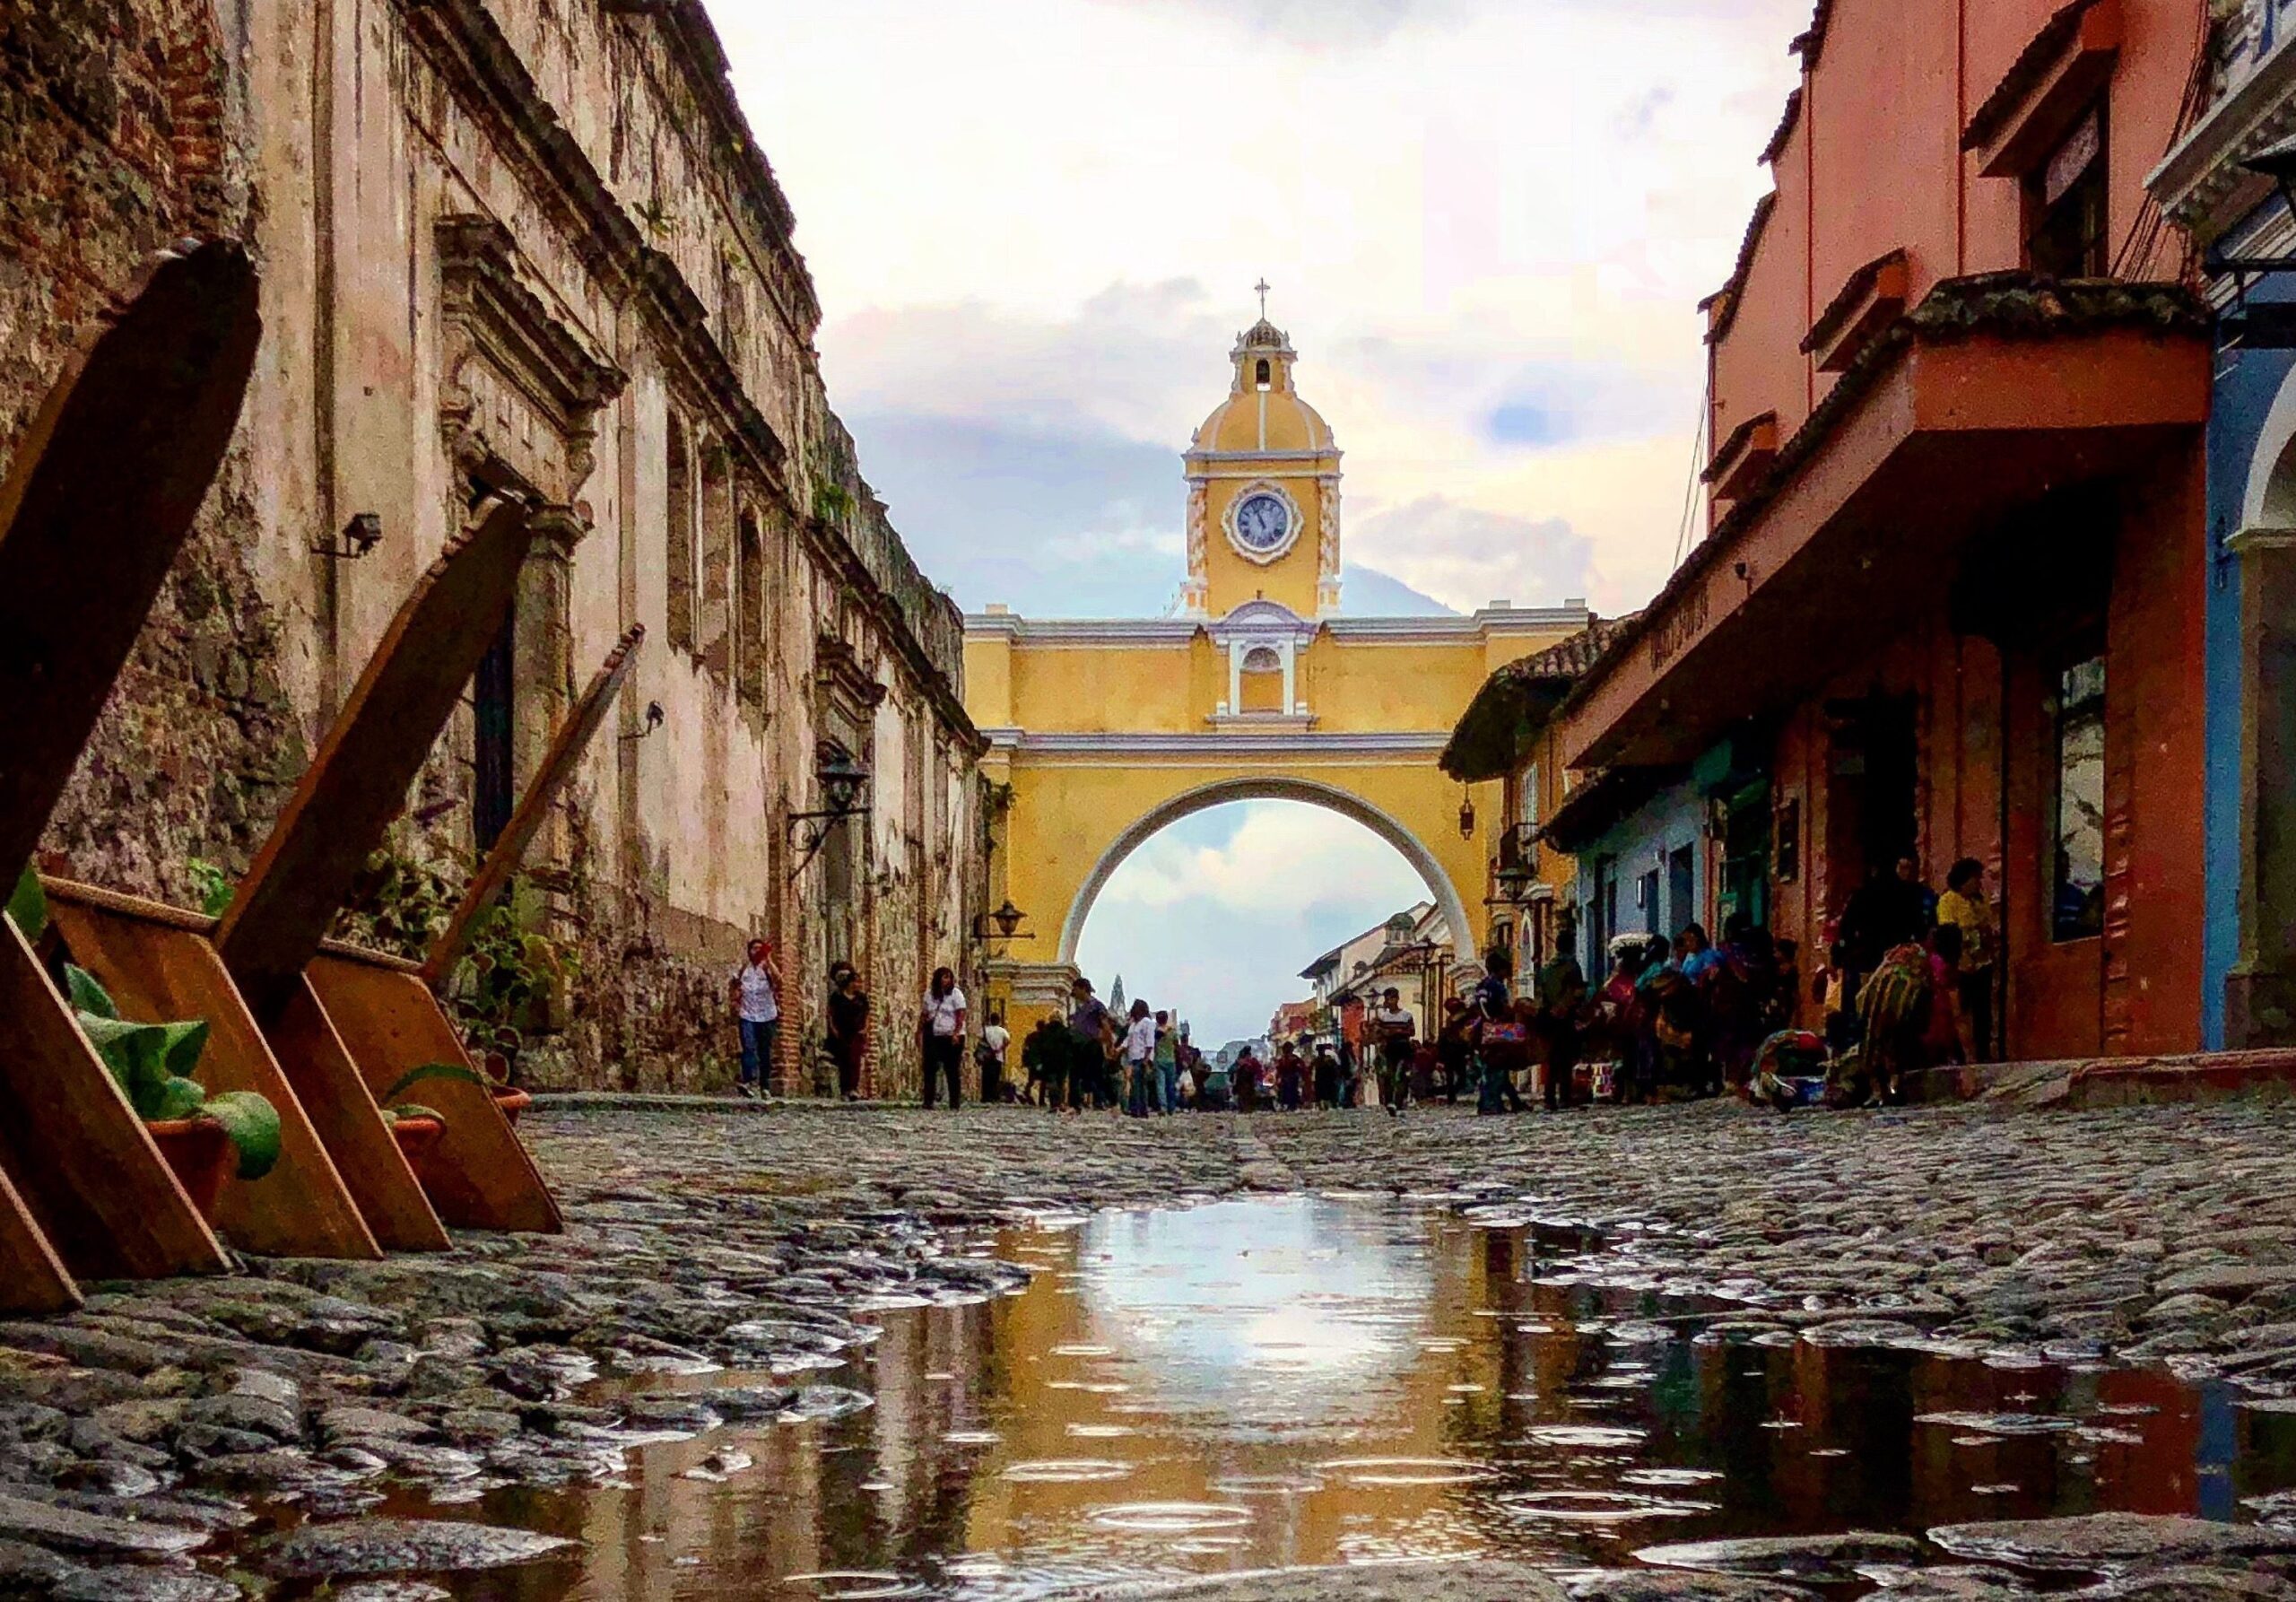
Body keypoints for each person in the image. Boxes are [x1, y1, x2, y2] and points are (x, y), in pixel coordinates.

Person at [1936, 858, 1996, 1063]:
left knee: (1983, 1012)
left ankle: (1983, 1053)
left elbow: (1986, 927)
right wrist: (1960, 958)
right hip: (1962, 966)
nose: (1978, 882)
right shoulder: (1949, 901)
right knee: (1961, 1012)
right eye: (1975, 878)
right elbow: (1948, 935)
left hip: (1982, 963)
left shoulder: (1979, 902)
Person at [1533, 916, 1588, 1110]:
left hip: (1549, 1017)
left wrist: (1550, 1009)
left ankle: (1549, 1098)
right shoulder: (1572, 966)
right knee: (1565, 1058)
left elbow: (1539, 993)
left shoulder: (1547, 968)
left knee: (1552, 1058)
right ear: (1571, 946)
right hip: (1566, 1017)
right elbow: (1578, 992)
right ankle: (1565, 1096)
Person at [1472, 949, 1528, 1114]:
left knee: (1494, 1068)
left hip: (1484, 1030)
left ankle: (1510, 1102)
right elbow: (1497, 1006)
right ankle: (1492, 1104)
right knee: (1497, 1068)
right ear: (1501, 969)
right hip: (1498, 1031)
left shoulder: (1482, 985)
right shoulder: (1497, 986)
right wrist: (1496, 1018)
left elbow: (1479, 1004)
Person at [729, 937, 782, 1101]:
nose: (757, 951)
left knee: (764, 1050)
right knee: (748, 1046)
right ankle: (748, 1081)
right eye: (754, 948)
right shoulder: (744, 968)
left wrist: (769, 960)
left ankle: (764, 1086)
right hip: (747, 1014)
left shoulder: (767, 968)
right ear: (749, 951)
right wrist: (735, 1000)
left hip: (767, 1015)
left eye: (760, 948)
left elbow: (779, 981)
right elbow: (735, 985)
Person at [1065, 977, 1114, 1116]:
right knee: (1074, 1075)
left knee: (1096, 1075)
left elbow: (1105, 1025)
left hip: (1092, 1045)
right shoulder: (1080, 1008)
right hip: (1078, 1045)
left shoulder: (1096, 1006)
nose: (1074, 992)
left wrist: (1109, 1044)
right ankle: (1074, 1105)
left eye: (1076, 989)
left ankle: (1111, 1101)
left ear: (1083, 989)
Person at [921, 967, 967, 1110]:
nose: (946, 980)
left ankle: (954, 1101)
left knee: (952, 1069)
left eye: (948, 977)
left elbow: (960, 1014)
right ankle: (928, 1100)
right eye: (943, 977)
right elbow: (924, 1014)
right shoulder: (929, 995)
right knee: (929, 1068)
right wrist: (919, 1032)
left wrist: (956, 1033)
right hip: (934, 1035)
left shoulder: (956, 994)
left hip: (952, 1036)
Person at [825, 962, 869, 1101]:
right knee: (844, 1060)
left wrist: (866, 1028)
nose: (858, 985)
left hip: (857, 1033)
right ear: (849, 983)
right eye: (855, 982)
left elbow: (867, 1014)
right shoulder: (837, 996)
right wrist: (833, 1029)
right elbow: (830, 1014)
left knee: (855, 1061)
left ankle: (853, 1089)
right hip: (842, 1032)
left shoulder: (862, 998)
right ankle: (845, 1090)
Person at [1370, 987, 1416, 1117]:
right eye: (1388, 999)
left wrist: (1394, 1032)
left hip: (1403, 1047)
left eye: (1392, 998)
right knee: (1389, 1076)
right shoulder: (1383, 1017)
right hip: (1389, 1048)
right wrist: (1381, 1031)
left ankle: (1398, 1102)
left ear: (1397, 999)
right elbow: (1378, 1033)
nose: (1390, 1001)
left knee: (1402, 1076)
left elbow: (1412, 1031)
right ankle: (1389, 1102)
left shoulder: (1406, 1015)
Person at [1122, 998, 1156, 1117]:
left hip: (1142, 1057)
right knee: (1135, 1084)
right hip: (1133, 1057)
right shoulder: (1133, 1025)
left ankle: (1140, 1109)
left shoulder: (1147, 1023)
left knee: (1140, 1084)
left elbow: (1149, 1042)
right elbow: (1128, 1039)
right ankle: (1135, 1108)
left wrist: (1147, 1059)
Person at [1436, 997, 1474, 1104]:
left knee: (1458, 1077)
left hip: (1458, 1051)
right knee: (1453, 1077)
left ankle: (1451, 1094)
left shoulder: (1461, 1019)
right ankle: (1451, 1095)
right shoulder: (1453, 1021)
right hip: (1452, 1051)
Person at [977, 1010, 1012, 1105]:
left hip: (987, 1056)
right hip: (998, 1056)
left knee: (986, 1076)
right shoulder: (1002, 1030)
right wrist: (1000, 1049)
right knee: (995, 1077)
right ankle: (993, 1095)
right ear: (998, 1020)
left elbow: (980, 1040)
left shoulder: (985, 1030)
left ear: (990, 1020)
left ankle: (985, 1096)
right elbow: (1007, 1041)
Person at [1152, 1012, 1180, 1115]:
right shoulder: (1172, 1032)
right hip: (1171, 1060)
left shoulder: (1156, 1032)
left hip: (1159, 1060)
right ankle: (1171, 1107)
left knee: (1161, 1085)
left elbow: (1153, 1044)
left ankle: (1163, 1106)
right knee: (1170, 1085)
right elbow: (1177, 1045)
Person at [1274, 1039, 1306, 1110]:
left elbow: (1301, 1068)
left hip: (1292, 1078)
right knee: (1285, 1092)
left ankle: (1291, 1105)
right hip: (1286, 1079)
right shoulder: (1283, 1059)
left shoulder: (1295, 1059)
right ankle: (1288, 1105)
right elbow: (1279, 1070)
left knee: (1292, 1092)